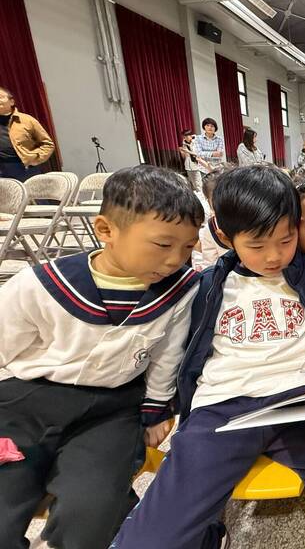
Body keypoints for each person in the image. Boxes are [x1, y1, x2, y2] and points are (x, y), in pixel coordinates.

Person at [111, 165, 305, 549]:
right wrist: (157, 409)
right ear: (224, 235)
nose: (274, 256)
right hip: (224, 410)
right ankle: (206, 532)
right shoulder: (206, 287)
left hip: (298, 404)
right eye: (257, 245)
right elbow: (168, 349)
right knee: (154, 535)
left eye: (286, 239)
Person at [0, 165, 203, 549]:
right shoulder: (40, 284)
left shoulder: (180, 289)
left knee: (91, 509)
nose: (177, 258)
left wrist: (157, 408)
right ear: (106, 230)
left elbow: (167, 354)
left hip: (111, 409)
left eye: (189, 246)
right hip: (24, 402)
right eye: (162, 244)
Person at [0, 86, 55, 181]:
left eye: (0, 97)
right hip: (2, 170)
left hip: (25, 169)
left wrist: (35, 158)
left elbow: (48, 144)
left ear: (12, 102)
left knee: (32, 195)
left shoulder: (27, 120)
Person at [192, 169, 229, 271]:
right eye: (218, 200)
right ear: (209, 202)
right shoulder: (210, 229)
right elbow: (210, 265)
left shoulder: (252, 220)